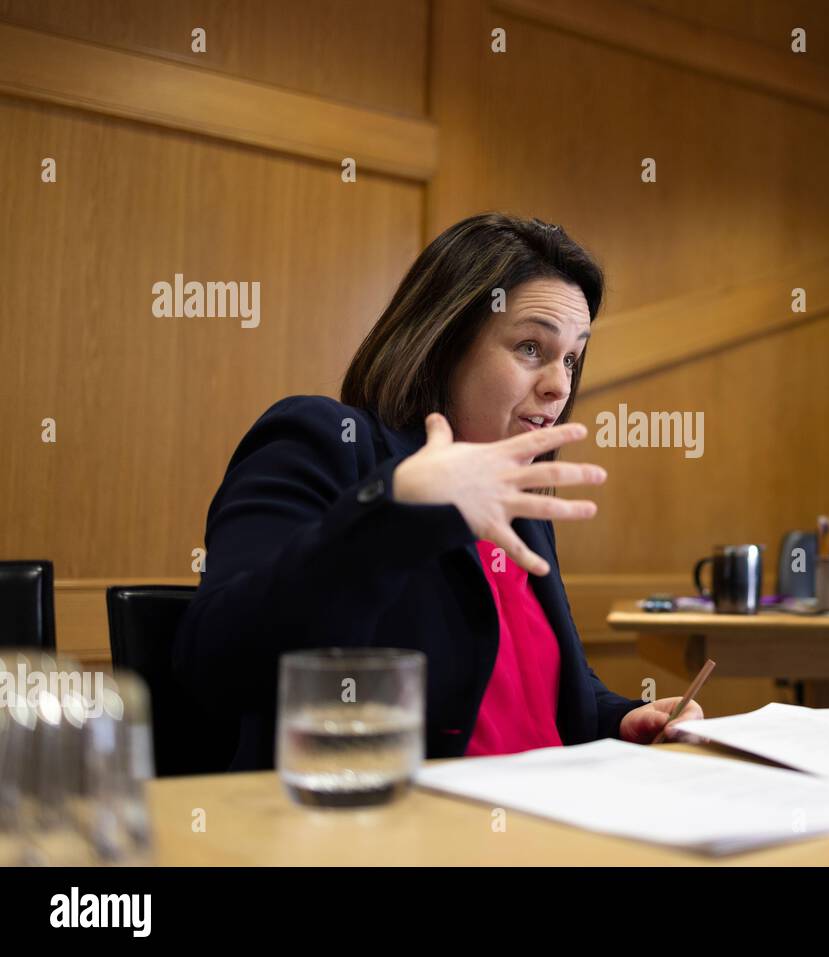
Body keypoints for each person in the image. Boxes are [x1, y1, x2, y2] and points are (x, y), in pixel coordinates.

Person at [174, 212, 704, 771]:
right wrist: (394, 514)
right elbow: (215, 662)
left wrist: (620, 719)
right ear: (442, 342)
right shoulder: (327, 442)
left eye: (571, 357)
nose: (559, 385)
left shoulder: (518, 501)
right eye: (531, 348)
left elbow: (534, 691)